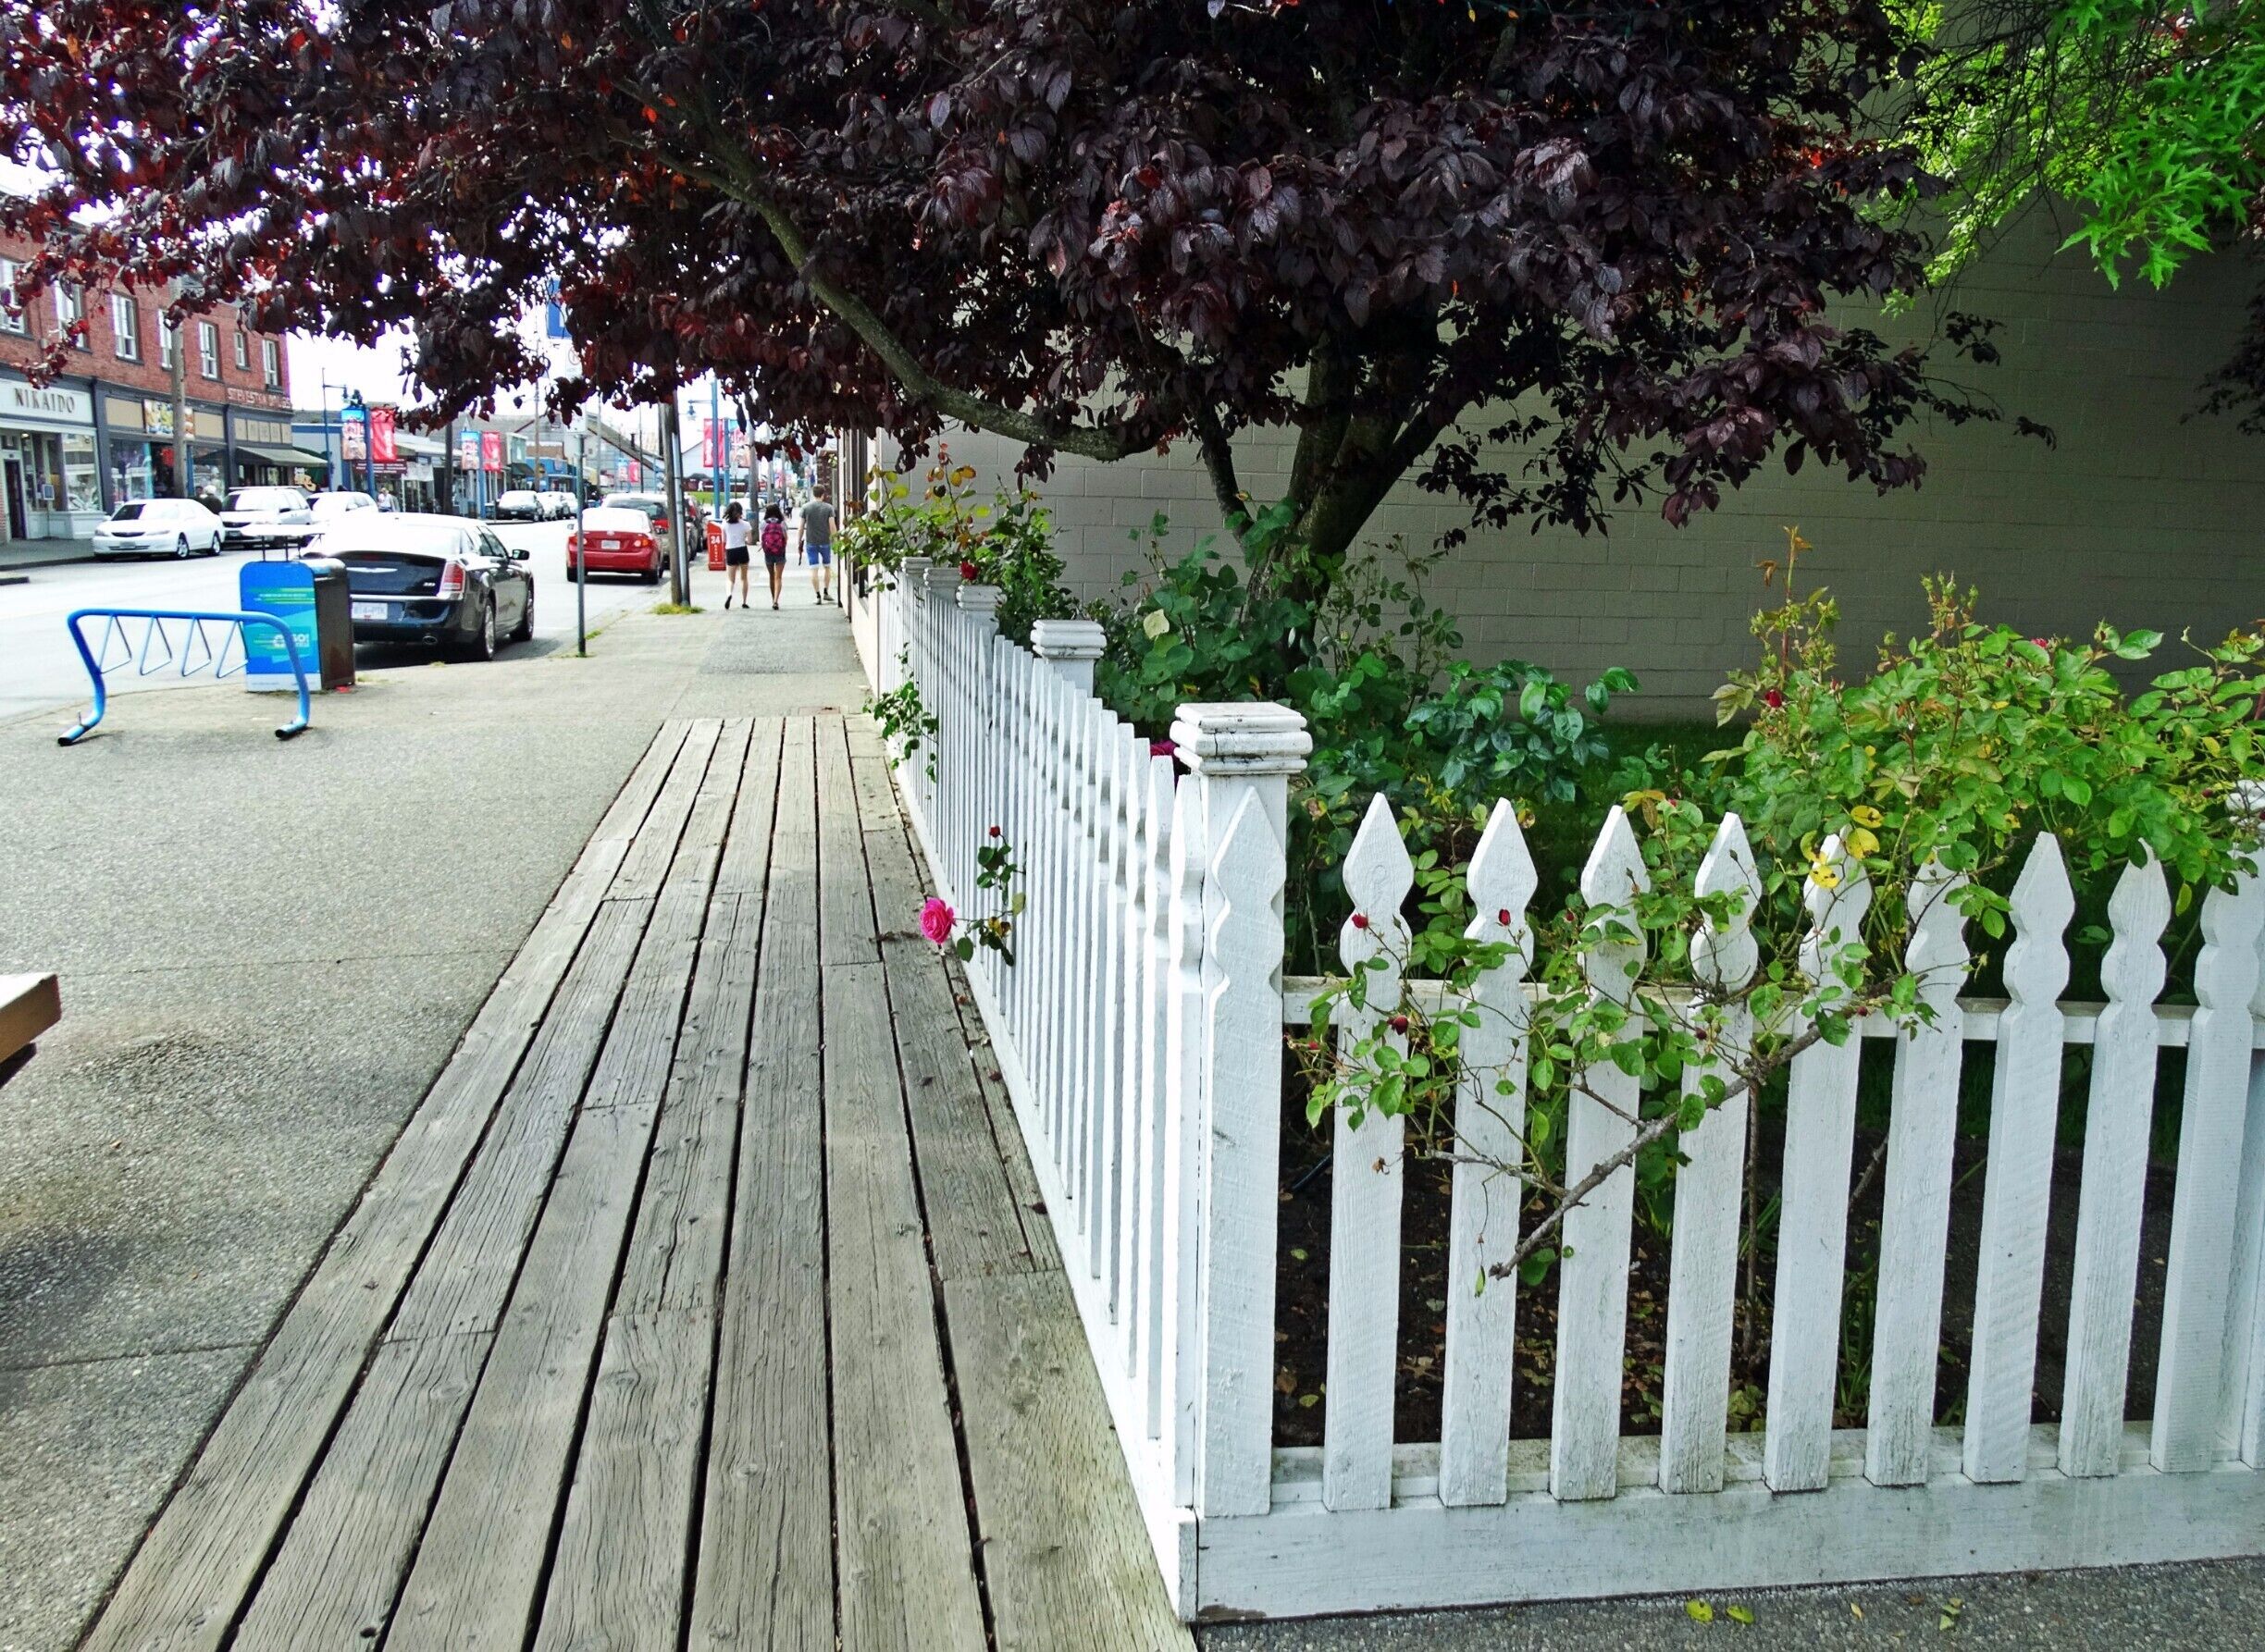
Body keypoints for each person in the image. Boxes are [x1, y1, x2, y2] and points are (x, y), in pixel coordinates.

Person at [801, 492, 836, 604]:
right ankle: (826, 592)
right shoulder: (829, 508)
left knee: (814, 569)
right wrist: (835, 540)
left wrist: (799, 541)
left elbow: (801, 526)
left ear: (813, 494)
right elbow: (832, 526)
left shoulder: (806, 507)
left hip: (811, 542)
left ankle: (817, 596)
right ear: (823, 494)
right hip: (825, 542)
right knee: (827, 567)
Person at [720, 500, 752, 610]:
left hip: (730, 550)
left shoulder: (724, 524)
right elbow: (750, 540)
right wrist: (743, 539)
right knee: (744, 578)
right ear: (740, 512)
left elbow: (723, 540)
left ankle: (729, 594)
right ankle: (744, 601)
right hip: (742, 550)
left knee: (730, 578)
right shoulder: (746, 524)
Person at [759, 502, 789, 610]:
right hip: (780, 551)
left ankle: (773, 599)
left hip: (768, 552)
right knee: (778, 577)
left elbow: (761, 538)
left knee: (771, 576)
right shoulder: (782, 523)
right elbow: (786, 537)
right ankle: (776, 600)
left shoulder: (763, 524)